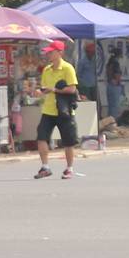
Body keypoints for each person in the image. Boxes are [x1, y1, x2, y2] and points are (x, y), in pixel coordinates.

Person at [35, 37, 83, 180]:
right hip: (48, 110)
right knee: (41, 137)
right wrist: (39, 92)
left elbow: (72, 89)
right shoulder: (47, 70)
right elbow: (45, 89)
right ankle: (45, 167)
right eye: (48, 52)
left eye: (51, 52)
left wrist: (55, 90)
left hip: (64, 110)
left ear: (60, 52)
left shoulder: (68, 68)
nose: (48, 54)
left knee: (68, 141)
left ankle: (69, 168)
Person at [103, 44, 125, 121]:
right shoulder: (116, 63)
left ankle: (109, 122)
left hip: (109, 85)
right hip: (114, 86)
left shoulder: (109, 62)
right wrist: (118, 82)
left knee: (110, 106)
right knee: (114, 106)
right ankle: (113, 122)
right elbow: (117, 74)